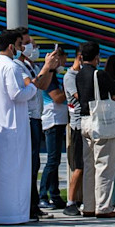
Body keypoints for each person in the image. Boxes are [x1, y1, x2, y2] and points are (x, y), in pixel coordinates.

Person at [0, 27, 63, 225]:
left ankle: (17, 209)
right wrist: (31, 89)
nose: (25, 49)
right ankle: (19, 211)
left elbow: (39, 85)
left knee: (13, 168)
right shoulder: (11, 66)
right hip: (15, 124)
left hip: (7, 123)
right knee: (20, 168)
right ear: (12, 46)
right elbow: (18, 93)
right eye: (22, 45)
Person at [67, 42, 115, 218]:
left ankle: (89, 205)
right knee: (105, 164)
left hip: (84, 120)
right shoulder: (99, 74)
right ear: (97, 57)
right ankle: (104, 206)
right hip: (101, 121)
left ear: (81, 57)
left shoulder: (78, 75)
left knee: (89, 165)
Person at [37, 50, 71, 213]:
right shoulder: (49, 77)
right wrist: (69, 89)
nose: (63, 64)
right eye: (62, 60)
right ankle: (42, 195)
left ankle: (55, 195)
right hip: (52, 120)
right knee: (52, 160)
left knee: (56, 160)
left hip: (59, 120)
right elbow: (57, 97)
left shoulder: (55, 77)